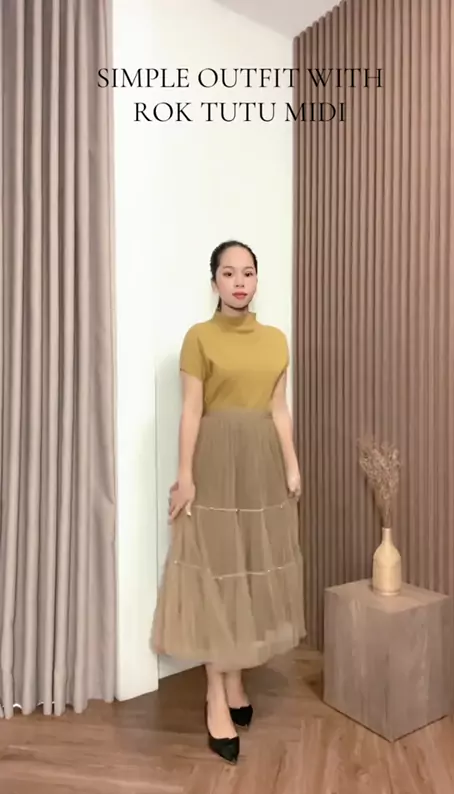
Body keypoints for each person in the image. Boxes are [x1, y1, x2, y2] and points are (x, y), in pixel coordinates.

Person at [151, 240, 306, 763]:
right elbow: (192, 410)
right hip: (216, 464)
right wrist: (184, 476)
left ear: (257, 279)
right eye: (229, 273)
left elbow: (278, 408)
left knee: (249, 572)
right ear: (214, 281)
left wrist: (291, 463)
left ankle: (235, 679)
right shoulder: (199, 338)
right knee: (217, 575)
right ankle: (215, 696)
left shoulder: (276, 341)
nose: (239, 282)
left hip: (261, 465)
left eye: (248, 273)